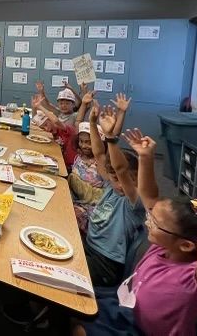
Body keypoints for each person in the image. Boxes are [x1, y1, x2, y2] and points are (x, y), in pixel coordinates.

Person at [73, 129, 197, 336]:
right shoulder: (161, 248)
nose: (148, 223)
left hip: (140, 331)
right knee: (75, 316)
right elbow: (149, 196)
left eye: (155, 223)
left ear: (185, 244)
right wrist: (146, 157)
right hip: (126, 308)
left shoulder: (195, 278)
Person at [72, 102, 145, 287]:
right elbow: (99, 155)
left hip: (106, 264)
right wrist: (92, 122)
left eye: (128, 179)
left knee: (62, 270)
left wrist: (111, 137)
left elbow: (120, 169)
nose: (120, 183)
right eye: (115, 177)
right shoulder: (110, 185)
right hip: (89, 246)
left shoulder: (133, 201)